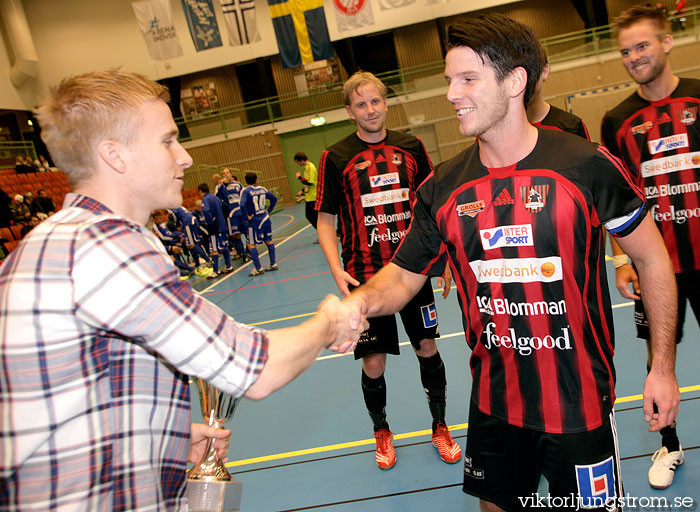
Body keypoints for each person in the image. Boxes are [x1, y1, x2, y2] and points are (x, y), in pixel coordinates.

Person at [345, 15, 680, 511]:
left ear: (515, 81)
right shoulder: (442, 189)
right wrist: (354, 305)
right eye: (449, 80)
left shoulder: (585, 165)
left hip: (578, 404)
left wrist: (663, 368)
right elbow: (400, 277)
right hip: (494, 404)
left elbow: (652, 259)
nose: (451, 94)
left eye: (468, 79)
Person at [0, 68, 365, 511]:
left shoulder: (47, 242)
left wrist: (157, 438)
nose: (186, 157)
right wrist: (329, 322)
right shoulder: (107, 247)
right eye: (167, 141)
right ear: (114, 154)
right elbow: (254, 368)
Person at [316, 70, 461, 471]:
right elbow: (325, 220)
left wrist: (445, 256)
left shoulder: (412, 148)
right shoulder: (336, 157)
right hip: (365, 278)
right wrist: (336, 270)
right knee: (374, 362)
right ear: (349, 111)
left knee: (427, 348)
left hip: (413, 272)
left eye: (375, 101)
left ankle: (440, 425)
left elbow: (433, 207)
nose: (370, 110)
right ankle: (381, 429)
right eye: (361, 104)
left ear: (386, 102)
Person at [601, 5, 699, 490]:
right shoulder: (616, 121)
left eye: (642, 45)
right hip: (658, 266)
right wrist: (622, 259)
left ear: (666, 42)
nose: (634, 57)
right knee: (657, 357)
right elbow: (616, 201)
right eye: (625, 51)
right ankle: (671, 445)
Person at [527, 44, 590, 139]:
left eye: (529, 70)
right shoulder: (503, 131)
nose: (524, 80)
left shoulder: (571, 126)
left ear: (544, 71)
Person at [240, 172, 278, 276]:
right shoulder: (263, 189)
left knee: (251, 244)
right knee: (269, 241)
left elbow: (242, 205)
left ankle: (258, 268)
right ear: (256, 179)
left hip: (255, 221)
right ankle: (273, 264)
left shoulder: (246, 191)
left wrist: (246, 217)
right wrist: (268, 210)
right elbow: (274, 198)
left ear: (246, 181)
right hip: (265, 218)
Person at [198, 182, 233, 277]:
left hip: (215, 228)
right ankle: (229, 266)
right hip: (222, 225)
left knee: (214, 249)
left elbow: (205, 210)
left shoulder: (205, 199)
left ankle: (216, 270)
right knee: (225, 246)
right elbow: (225, 206)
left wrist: (210, 222)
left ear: (200, 191)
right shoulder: (215, 197)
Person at [217, 168, 247, 259]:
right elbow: (217, 198)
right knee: (235, 234)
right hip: (232, 214)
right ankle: (243, 254)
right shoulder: (221, 187)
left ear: (230, 174)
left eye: (227, 173)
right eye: (224, 173)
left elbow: (244, 197)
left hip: (241, 212)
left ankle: (250, 251)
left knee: (247, 231)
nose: (226, 175)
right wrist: (221, 186)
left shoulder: (238, 184)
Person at [294, 152, 319, 230]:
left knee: (312, 217)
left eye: (297, 162)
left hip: (313, 196)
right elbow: (307, 183)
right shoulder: (306, 167)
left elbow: (310, 182)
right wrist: (302, 191)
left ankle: (323, 233)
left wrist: (299, 178)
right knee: (311, 216)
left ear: (301, 160)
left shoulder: (311, 167)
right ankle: (322, 233)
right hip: (309, 197)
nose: (297, 164)